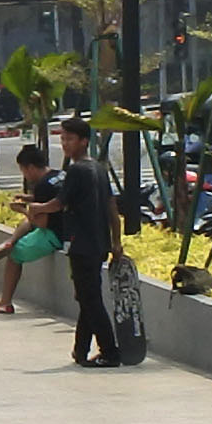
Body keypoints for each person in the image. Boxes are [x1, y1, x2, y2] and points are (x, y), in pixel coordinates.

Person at [30, 111, 127, 366]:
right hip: (99, 244)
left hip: (82, 243)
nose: (65, 144)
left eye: (69, 139)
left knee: (89, 299)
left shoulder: (77, 171)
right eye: (62, 139)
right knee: (86, 295)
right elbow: (112, 209)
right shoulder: (99, 168)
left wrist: (37, 208)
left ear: (83, 141)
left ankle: (110, 352)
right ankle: (80, 350)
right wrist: (115, 242)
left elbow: (59, 203)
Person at [0, 144, 59, 314]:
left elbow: (42, 223)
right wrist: (29, 199)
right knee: (28, 221)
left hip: (57, 234)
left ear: (30, 167)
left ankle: (5, 302)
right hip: (71, 225)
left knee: (14, 255)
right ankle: (10, 241)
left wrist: (22, 209)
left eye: (23, 170)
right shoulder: (58, 176)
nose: (24, 175)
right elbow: (50, 200)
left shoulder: (42, 186)